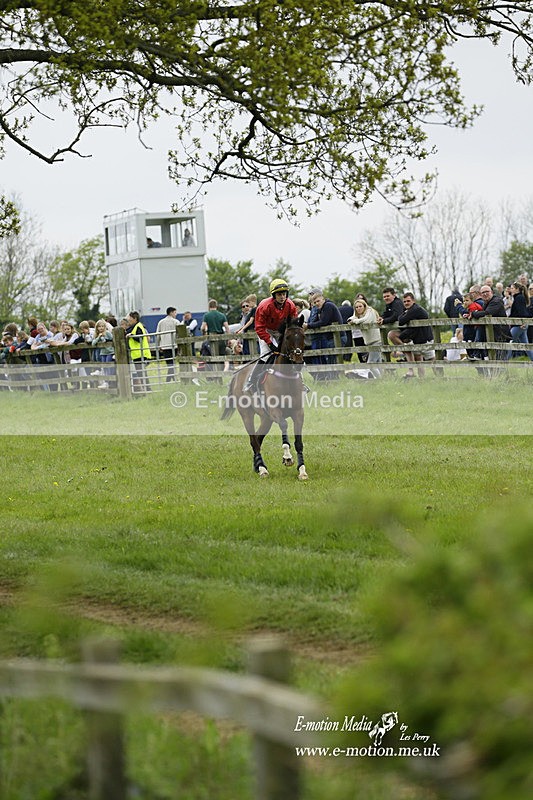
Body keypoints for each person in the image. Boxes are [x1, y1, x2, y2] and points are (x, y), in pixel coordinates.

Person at [243, 278, 298, 392]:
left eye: (284, 294)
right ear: (274, 295)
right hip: (266, 331)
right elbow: (259, 328)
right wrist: (270, 343)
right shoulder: (264, 306)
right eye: (279, 294)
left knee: (290, 354)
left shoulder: (290, 305)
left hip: (281, 332)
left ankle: (299, 383)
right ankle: (251, 382)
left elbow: (294, 323)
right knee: (266, 355)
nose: (282, 297)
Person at [387, 292, 434, 378]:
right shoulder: (409, 310)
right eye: (404, 302)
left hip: (426, 340)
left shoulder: (416, 309)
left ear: (413, 301)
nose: (406, 303)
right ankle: (421, 380)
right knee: (418, 359)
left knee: (432, 360)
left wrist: (404, 314)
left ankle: (440, 377)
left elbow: (401, 320)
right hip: (417, 339)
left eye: (408, 301)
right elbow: (402, 319)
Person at [303, 291, 344, 379]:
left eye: (318, 301)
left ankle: (334, 380)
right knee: (330, 359)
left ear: (323, 299)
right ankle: (331, 380)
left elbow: (323, 322)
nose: (317, 303)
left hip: (337, 336)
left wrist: (308, 325)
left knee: (332, 360)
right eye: (315, 302)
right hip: (330, 337)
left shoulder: (328, 305)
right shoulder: (321, 308)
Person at [470, 285, 510, 359]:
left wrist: (473, 313)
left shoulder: (496, 301)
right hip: (492, 334)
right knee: (492, 358)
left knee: (499, 359)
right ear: (480, 294)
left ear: (491, 292)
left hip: (500, 335)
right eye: (483, 292)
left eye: (487, 292)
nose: (485, 294)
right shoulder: (486, 302)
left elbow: (487, 313)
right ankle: (478, 356)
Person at [348, 298, 382, 375]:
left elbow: (367, 321)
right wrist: (352, 319)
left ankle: (380, 380)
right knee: (378, 363)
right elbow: (351, 318)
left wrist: (355, 321)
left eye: (360, 306)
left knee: (370, 364)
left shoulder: (370, 311)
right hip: (369, 342)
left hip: (376, 341)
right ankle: (385, 381)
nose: (358, 308)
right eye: (356, 307)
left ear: (364, 306)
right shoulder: (359, 315)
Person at [506, 282, 533, 361]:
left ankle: (503, 362)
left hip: (519, 325)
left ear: (517, 289)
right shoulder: (518, 297)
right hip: (520, 325)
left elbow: (522, 312)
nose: (511, 289)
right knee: (526, 346)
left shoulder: (519, 298)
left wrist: (522, 322)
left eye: (512, 288)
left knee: (509, 341)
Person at [126, 311, 152, 391]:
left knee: (142, 373)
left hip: (141, 353)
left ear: (135, 318)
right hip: (137, 354)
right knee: (141, 373)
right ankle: (147, 389)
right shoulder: (134, 327)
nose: (128, 319)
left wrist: (131, 336)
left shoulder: (138, 327)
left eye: (130, 318)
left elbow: (139, 338)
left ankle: (147, 389)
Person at [201, 299, 230, 370]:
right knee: (221, 357)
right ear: (216, 306)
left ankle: (215, 375)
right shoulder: (222, 315)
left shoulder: (206, 315)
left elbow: (202, 327)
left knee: (213, 357)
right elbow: (227, 327)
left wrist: (204, 333)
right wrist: (228, 338)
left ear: (209, 306)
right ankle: (220, 374)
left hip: (211, 339)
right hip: (221, 339)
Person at [156, 306, 180, 382]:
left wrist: (158, 345)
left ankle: (169, 379)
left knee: (169, 363)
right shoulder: (176, 322)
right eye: (175, 312)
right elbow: (179, 334)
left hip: (165, 346)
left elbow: (158, 335)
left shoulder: (161, 322)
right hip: (174, 345)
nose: (176, 314)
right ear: (171, 312)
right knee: (172, 362)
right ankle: (170, 378)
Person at [92, 319, 115, 387]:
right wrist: (98, 337)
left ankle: (109, 382)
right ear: (97, 328)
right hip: (103, 353)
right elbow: (93, 343)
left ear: (105, 327)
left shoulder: (107, 333)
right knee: (104, 367)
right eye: (99, 326)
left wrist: (105, 338)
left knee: (108, 366)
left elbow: (112, 339)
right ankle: (106, 381)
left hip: (109, 352)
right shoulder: (97, 335)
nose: (101, 328)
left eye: (102, 326)